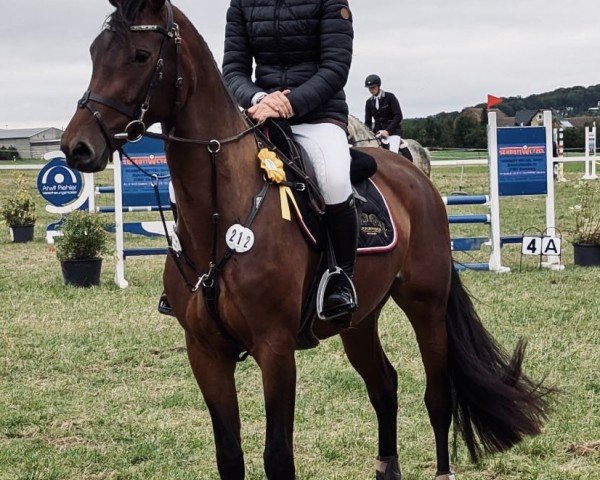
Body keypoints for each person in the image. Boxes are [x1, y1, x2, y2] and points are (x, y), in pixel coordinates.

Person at [222, 0, 357, 319]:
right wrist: (259, 99)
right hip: (260, 114)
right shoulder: (242, 2)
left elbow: (335, 68)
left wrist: (290, 103)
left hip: (318, 114)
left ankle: (340, 277)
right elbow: (233, 70)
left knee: (335, 180)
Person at [364, 74, 405, 155]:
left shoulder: (390, 97)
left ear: (378, 86)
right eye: (369, 88)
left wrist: (387, 131)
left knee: (393, 155)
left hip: (392, 132)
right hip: (378, 133)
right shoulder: (369, 102)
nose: (371, 90)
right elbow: (368, 122)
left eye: (373, 87)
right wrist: (369, 133)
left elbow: (398, 116)